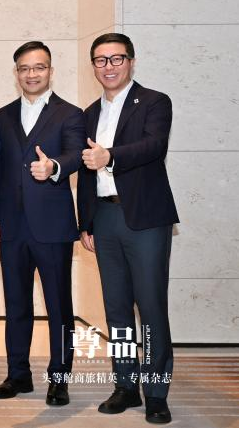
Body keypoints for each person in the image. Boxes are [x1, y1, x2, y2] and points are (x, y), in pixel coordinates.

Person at [77, 32, 178, 425]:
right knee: (116, 309)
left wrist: (110, 156)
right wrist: (85, 222)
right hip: (104, 219)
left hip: (145, 219)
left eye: (116, 58)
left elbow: (154, 146)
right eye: (101, 60)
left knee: (150, 308)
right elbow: (85, 172)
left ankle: (156, 392)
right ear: (93, 66)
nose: (109, 67)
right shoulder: (88, 113)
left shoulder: (154, 102)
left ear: (131, 62)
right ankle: (125, 385)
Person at [0, 41, 86, 406]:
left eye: (39, 67)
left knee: (59, 305)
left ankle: (60, 378)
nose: (31, 74)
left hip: (52, 226)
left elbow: (76, 154)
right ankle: (18, 375)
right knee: (16, 305)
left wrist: (53, 166)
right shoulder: (1, 115)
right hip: (11, 226)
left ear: (50, 71)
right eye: (24, 68)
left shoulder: (70, 114)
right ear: (16, 73)